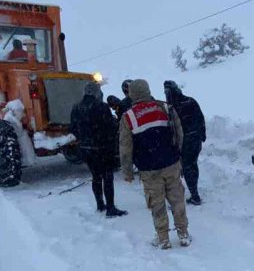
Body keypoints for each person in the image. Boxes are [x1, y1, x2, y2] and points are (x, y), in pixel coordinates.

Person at [119, 79, 190, 249]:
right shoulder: (165, 108)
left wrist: (127, 172)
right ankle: (183, 234)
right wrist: (177, 154)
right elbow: (179, 133)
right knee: (177, 199)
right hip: (171, 163)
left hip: (149, 168)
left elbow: (125, 148)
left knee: (156, 204)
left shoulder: (128, 117)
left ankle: (163, 238)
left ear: (132, 94)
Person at [70, 82, 127, 218]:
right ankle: (111, 208)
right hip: (102, 148)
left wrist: (83, 139)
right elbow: (110, 127)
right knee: (108, 177)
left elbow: (72, 128)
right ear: (96, 92)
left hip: (86, 148)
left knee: (96, 177)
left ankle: (100, 205)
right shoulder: (102, 107)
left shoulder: (76, 107)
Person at [163, 80, 206, 205]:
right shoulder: (189, 101)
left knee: (186, 166)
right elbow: (200, 118)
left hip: (185, 141)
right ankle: (194, 192)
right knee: (192, 165)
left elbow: (171, 127)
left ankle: (194, 195)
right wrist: (202, 135)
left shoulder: (171, 107)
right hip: (195, 139)